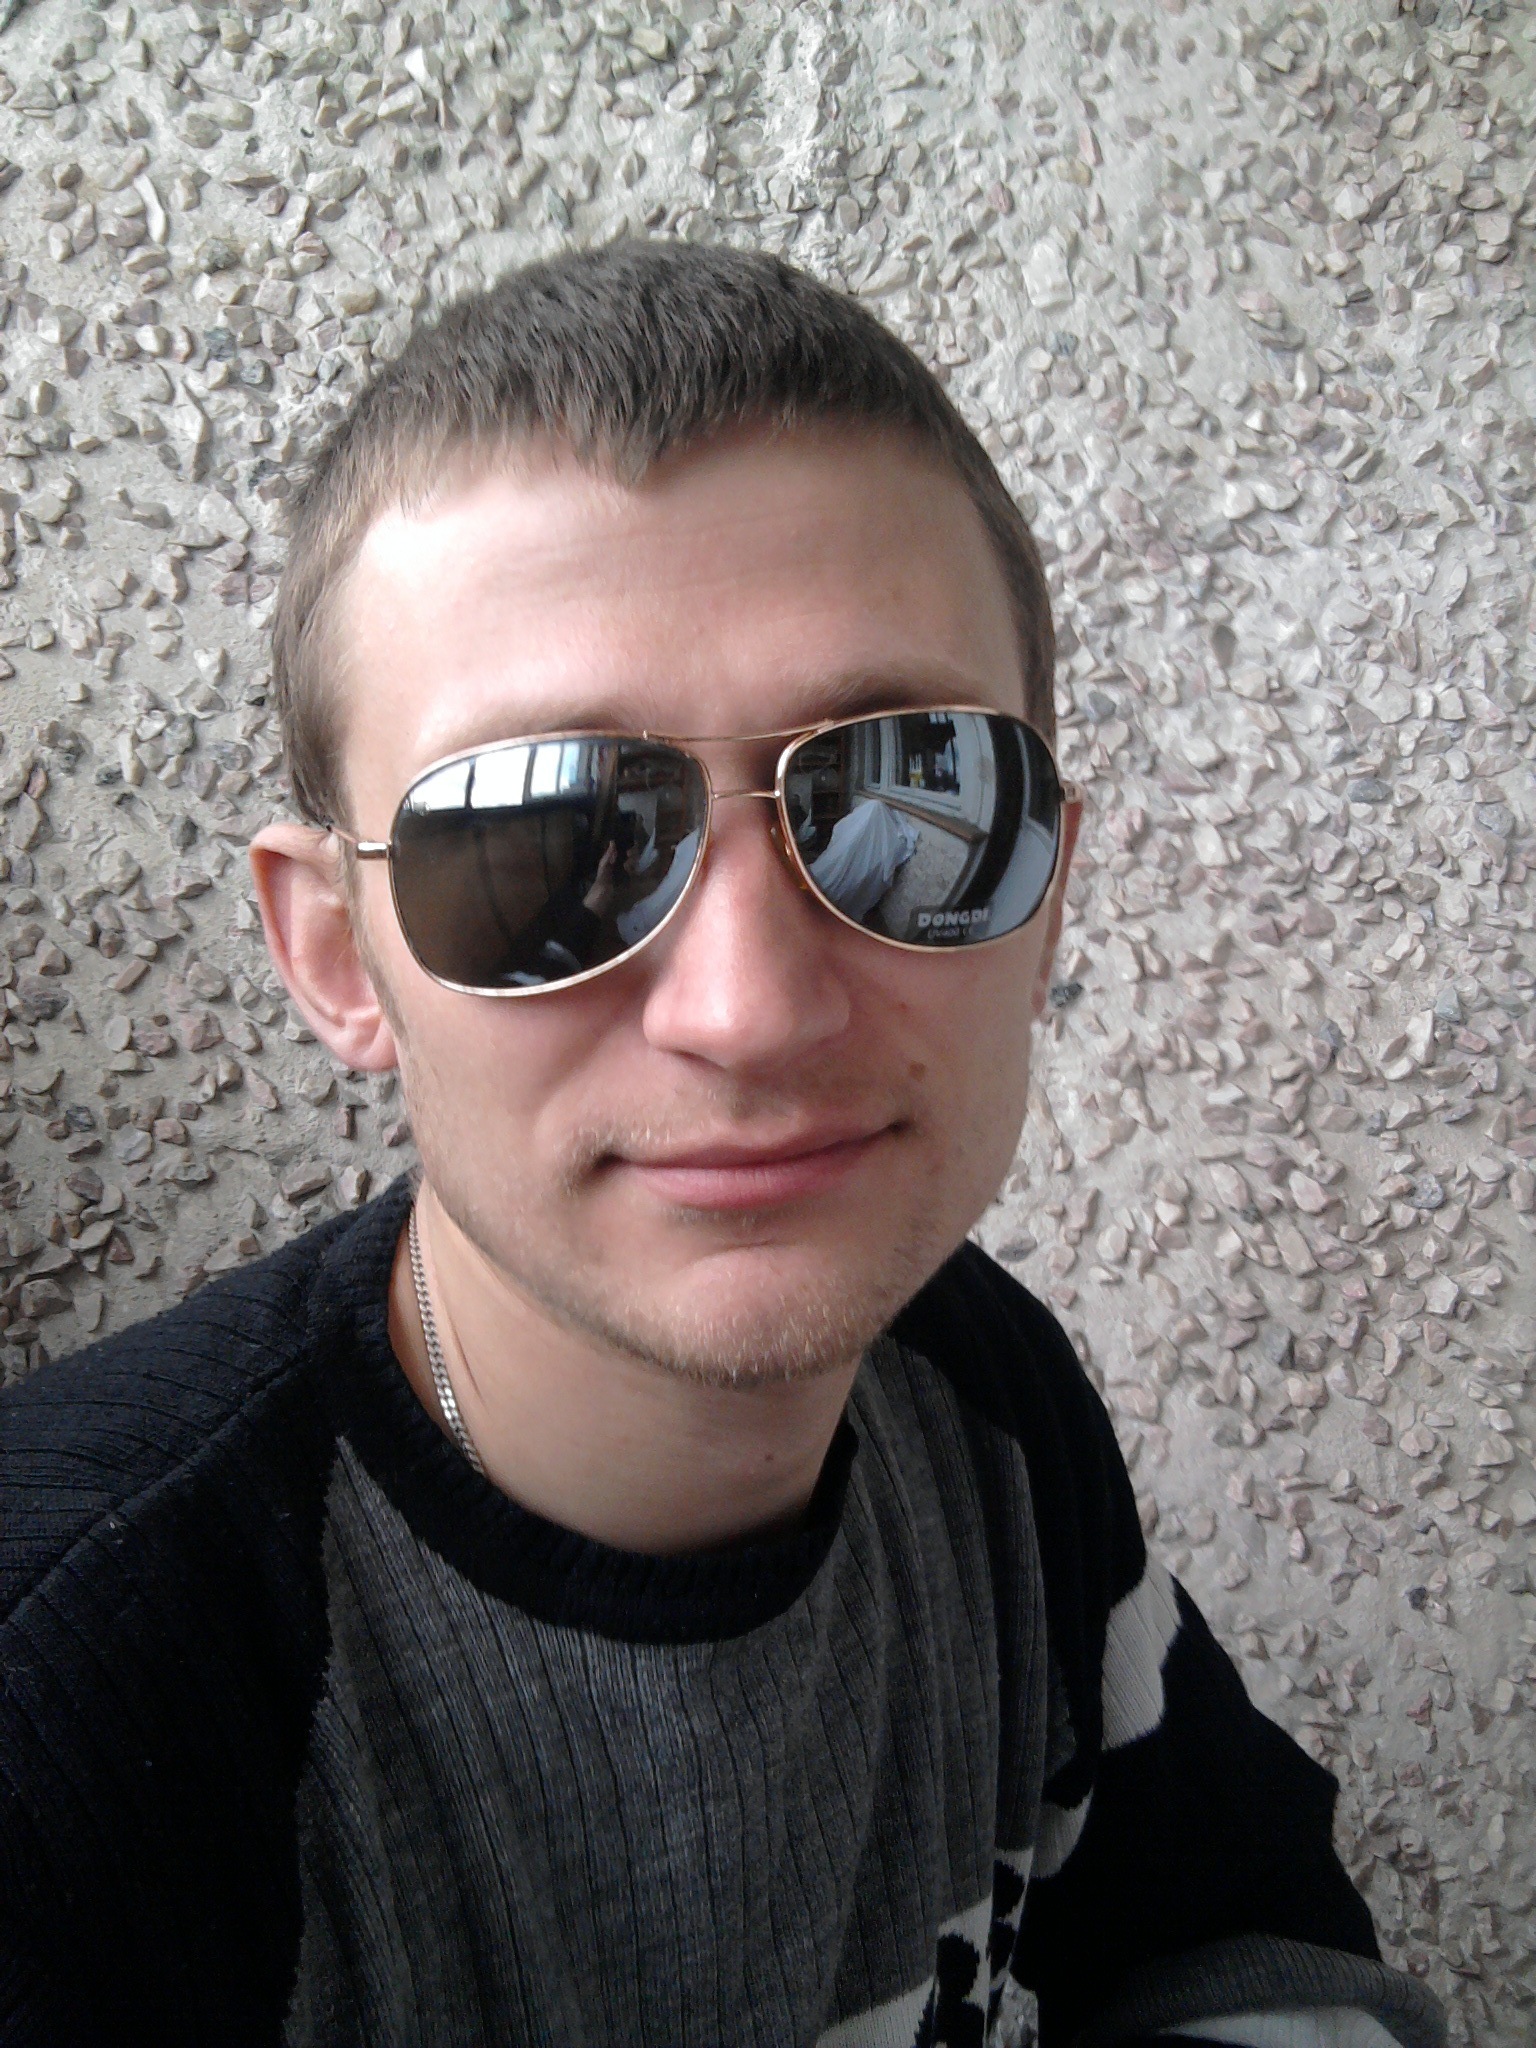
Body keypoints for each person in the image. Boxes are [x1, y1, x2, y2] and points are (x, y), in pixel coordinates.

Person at [0, 245, 1443, 2048]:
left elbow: (1234, 1939)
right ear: (336, 957)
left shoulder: (980, 1396)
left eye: (911, 793)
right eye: (550, 837)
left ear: (1051, 891)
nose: (750, 1008)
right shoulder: (65, 1723)